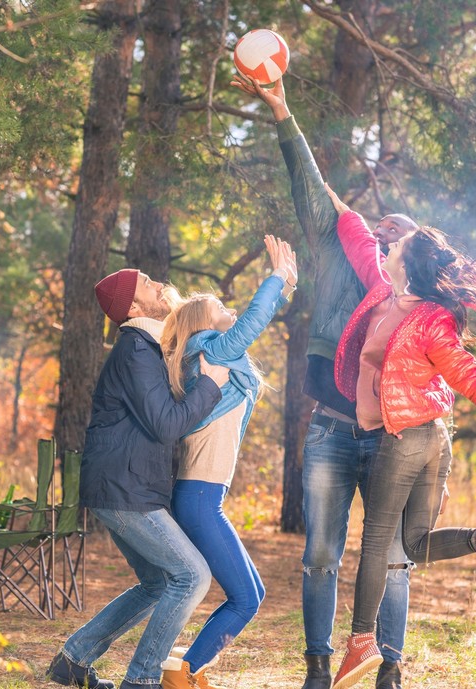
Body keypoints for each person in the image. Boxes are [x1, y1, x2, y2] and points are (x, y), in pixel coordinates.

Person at [324, 185, 476, 689]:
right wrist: (338, 205)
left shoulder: (431, 317)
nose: (388, 250)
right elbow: (363, 241)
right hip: (430, 438)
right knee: (412, 544)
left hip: (407, 438)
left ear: (407, 261)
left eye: (397, 247)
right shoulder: (386, 294)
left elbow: (463, 367)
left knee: (377, 545)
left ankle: (362, 642)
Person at [231, 73, 415, 689]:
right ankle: (316, 664)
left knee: (390, 556)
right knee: (320, 556)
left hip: (389, 436)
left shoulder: (414, 296)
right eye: (383, 231)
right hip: (333, 428)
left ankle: (388, 666)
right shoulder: (340, 247)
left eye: (402, 239)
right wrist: (282, 111)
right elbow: (309, 183)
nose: (388, 240)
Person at [47, 268, 230, 689]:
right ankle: (142, 680)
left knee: (157, 582)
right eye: (147, 284)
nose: (160, 285)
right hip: (123, 490)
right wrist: (211, 385)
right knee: (191, 576)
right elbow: (167, 424)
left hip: (126, 487)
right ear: (133, 306)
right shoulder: (135, 349)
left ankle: (73, 660)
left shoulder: (148, 347)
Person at [158, 235, 298, 689]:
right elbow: (252, 322)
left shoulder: (214, 355)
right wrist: (276, 278)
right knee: (244, 598)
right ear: (204, 321)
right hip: (199, 497)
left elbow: (250, 326)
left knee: (253, 593)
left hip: (203, 495)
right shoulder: (208, 349)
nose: (229, 310)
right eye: (221, 306)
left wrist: (287, 284)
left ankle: (189, 671)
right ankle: (185, 675)